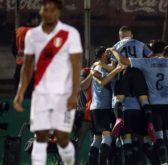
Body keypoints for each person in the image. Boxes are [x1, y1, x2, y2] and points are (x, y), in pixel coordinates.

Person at [13, 0, 82, 164]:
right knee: (40, 136)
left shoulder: (70, 33)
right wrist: (20, 92)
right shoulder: (32, 35)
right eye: (45, 10)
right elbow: (27, 67)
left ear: (58, 13)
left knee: (63, 139)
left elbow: (76, 65)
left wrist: (74, 94)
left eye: (52, 10)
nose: (48, 13)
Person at [107, 40, 168, 165]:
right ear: (164, 51)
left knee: (158, 137)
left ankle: (163, 163)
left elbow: (125, 61)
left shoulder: (146, 62)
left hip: (153, 104)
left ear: (151, 51)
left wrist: (114, 51)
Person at [110, 26, 156, 142]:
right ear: (131, 35)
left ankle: (119, 119)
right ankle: (150, 123)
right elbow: (151, 57)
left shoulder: (116, 45)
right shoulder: (140, 44)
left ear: (120, 36)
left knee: (118, 99)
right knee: (144, 100)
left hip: (125, 72)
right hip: (138, 72)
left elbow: (113, 65)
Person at [88, 46, 124, 165]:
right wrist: (116, 70)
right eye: (108, 53)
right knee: (107, 137)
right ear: (103, 55)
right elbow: (103, 81)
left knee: (97, 139)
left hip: (96, 107)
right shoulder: (100, 67)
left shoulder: (98, 67)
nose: (110, 56)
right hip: (102, 107)